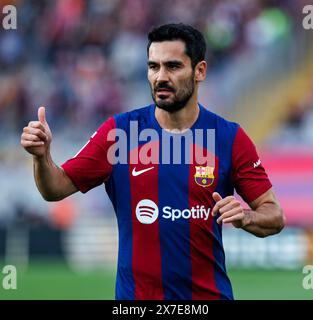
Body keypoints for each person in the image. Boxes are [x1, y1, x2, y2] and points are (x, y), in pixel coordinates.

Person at [21, 23, 285, 300]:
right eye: (153, 67)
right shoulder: (119, 133)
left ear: (200, 71)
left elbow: (274, 215)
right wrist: (42, 157)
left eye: (173, 66)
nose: (160, 77)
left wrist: (247, 217)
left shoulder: (229, 137)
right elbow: (55, 188)